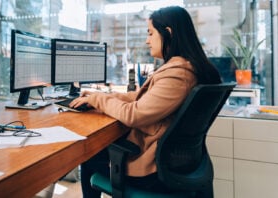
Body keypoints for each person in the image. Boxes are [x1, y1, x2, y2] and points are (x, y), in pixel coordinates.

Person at [69, 6, 222, 197]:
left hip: (153, 169)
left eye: (150, 33)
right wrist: (100, 97)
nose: (147, 41)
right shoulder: (185, 68)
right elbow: (139, 99)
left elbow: (133, 114)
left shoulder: (178, 75)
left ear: (168, 33)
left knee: (90, 154)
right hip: (174, 162)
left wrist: (98, 99)